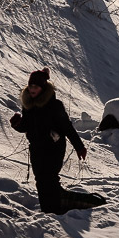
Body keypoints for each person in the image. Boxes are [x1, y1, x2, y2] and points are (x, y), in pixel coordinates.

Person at [9, 68, 89, 214]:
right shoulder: (28, 106)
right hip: (36, 148)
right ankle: (49, 209)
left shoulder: (55, 106)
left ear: (42, 88)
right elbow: (26, 126)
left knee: (49, 179)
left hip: (54, 148)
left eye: (36, 86)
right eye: (30, 86)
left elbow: (67, 127)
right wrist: (17, 124)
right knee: (41, 180)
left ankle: (55, 210)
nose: (32, 89)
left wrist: (79, 147)